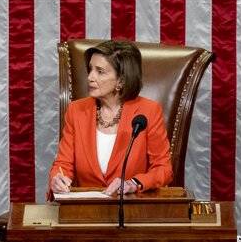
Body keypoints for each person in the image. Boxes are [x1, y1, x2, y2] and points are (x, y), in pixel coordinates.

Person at [48, 40, 173, 197]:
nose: (90, 77)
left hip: (130, 209)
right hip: (85, 212)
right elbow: (63, 164)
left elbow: (163, 169)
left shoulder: (149, 111)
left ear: (121, 80)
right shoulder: (76, 110)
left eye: (100, 71)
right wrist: (57, 178)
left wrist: (134, 183)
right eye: (90, 69)